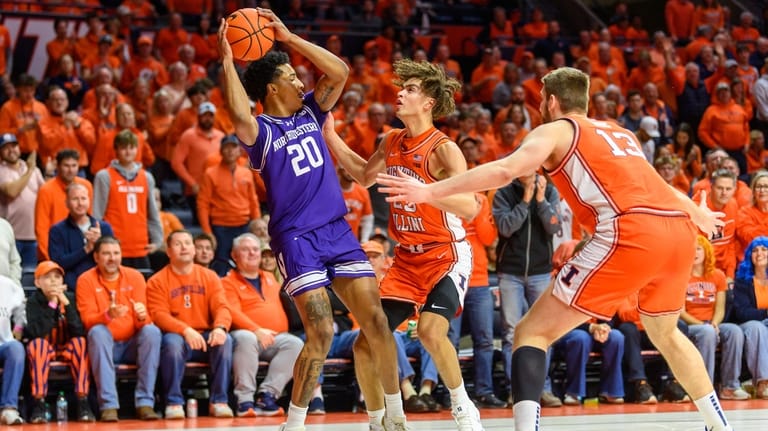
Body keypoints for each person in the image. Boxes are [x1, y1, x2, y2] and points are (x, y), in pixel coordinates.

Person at [377, 67, 731, 431]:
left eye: (540, 102)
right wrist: (697, 214)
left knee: (531, 333)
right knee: (666, 333)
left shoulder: (556, 129)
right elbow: (658, 185)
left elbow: (506, 170)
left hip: (632, 232)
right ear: (587, 99)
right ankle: (719, 425)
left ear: (551, 101)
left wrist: (430, 192)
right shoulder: (619, 132)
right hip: (678, 233)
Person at [218, 9, 406, 431]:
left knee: (376, 320)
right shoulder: (260, 133)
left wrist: (288, 38)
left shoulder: (311, 111)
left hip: (337, 231)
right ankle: (296, 422)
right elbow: (238, 115)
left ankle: (393, 417)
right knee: (320, 332)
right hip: (297, 238)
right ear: (272, 87)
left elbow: (338, 72)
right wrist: (228, 61)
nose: (302, 82)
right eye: (291, 76)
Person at [322, 57, 483, 430]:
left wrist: (427, 192)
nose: (400, 93)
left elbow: (470, 206)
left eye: (410, 89)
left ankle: (463, 408)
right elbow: (363, 176)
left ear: (428, 102)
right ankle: (381, 422)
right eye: (402, 87)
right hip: (407, 260)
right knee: (366, 343)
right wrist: (330, 136)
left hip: (445, 254)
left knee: (429, 331)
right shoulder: (392, 140)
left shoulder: (444, 149)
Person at [492, 172, 562, 407]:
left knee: (543, 331)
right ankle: (517, 391)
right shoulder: (503, 192)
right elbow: (505, 228)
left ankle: (543, 388)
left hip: (541, 272)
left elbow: (554, 227)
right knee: (512, 332)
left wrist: (540, 200)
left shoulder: (550, 190)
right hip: (510, 272)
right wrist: (525, 200)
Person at [146, 230, 233, 419]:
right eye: (178, 244)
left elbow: (223, 307)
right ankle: (174, 403)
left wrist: (220, 327)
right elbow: (158, 315)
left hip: (206, 335)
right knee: (172, 344)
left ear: (194, 250)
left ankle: (219, 401)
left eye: (187, 243)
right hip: (178, 336)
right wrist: (185, 330)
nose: (184, 247)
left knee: (225, 341)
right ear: (168, 251)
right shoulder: (156, 281)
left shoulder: (210, 277)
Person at [75, 236, 162, 421]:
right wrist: (108, 315)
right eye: (106, 253)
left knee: (152, 332)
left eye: (116, 253)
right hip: (103, 346)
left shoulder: (135, 277)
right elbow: (87, 321)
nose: (112, 258)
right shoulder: (85, 280)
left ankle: (145, 403)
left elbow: (143, 323)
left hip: (131, 345)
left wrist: (142, 316)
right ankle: (108, 406)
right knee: (98, 331)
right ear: (96, 257)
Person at [222, 233, 303, 417]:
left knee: (295, 344)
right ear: (235, 255)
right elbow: (232, 312)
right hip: (244, 337)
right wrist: (256, 330)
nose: (252, 253)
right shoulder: (227, 282)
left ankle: (267, 395)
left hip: (273, 337)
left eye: (255, 249)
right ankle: (244, 400)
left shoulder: (269, 277)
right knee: (246, 337)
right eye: (245, 250)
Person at [24, 261, 95, 423]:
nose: (54, 281)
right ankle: (39, 403)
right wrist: (53, 304)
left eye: (57, 277)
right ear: (37, 283)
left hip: (66, 349)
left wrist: (67, 305)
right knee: (37, 345)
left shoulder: (70, 298)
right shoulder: (33, 302)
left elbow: (78, 330)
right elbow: (37, 333)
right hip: (45, 348)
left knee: (80, 343)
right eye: (47, 277)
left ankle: (83, 402)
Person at [683, 235, 749, 401]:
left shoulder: (718, 276)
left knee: (734, 330)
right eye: (692, 249)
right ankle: (705, 389)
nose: (695, 252)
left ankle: (730, 386)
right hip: (689, 326)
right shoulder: (681, 276)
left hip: (712, 324)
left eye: (698, 248)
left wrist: (714, 323)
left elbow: (720, 308)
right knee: (707, 333)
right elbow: (680, 312)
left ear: (706, 252)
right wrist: (704, 325)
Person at [93, 129, 163, 270]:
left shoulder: (146, 177)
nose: (128, 152)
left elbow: (152, 212)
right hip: (114, 247)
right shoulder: (104, 176)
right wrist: (99, 242)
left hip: (141, 246)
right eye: (124, 147)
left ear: (137, 149)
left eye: (131, 147)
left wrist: (157, 240)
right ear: (116, 150)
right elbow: (97, 214)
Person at [49, 183, 114, 290]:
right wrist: (86, 249)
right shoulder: (57, 230)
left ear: (89, 201)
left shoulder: (104, 228)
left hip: (102, 286)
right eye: (75, 199)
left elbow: (112, 260)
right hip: (72, 288)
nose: (80, 203)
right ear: (67, 203)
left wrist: (100, 245)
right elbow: (58, 263)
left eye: (83, 198)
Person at [34, 149, 93, 262]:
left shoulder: (86, 186)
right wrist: (51, 258)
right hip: (54, 251)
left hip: (81, 251)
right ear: (58, 166)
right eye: (66, 166)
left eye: (74, 165)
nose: (70, 170)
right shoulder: (46, 190)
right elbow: (41, 228)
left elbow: (89, 218)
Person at [729, 236, 768, 399]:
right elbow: (743, 312)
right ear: (749, 256)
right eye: (755, 250)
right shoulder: (742, 281)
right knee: (757, 327)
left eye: (764, 249)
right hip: (747, 325)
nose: (759, 253)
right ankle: (762, 382)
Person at [0, 132, 44, 269]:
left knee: (30, 278)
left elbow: (44, 193)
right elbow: (11, 191)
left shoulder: (32, 168)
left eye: (14, 146)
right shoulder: (2, 170)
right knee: (11, 277)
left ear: (19, 148)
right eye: (6, 147)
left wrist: (47, 173)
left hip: (33, 235)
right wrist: (30, 170)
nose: (11, 150)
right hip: (11, 236)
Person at [0, 274, 25, 425]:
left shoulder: (8, 285)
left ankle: (9, 408)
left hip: (3, 346)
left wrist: (18, 327)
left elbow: (21, 313)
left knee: (16, 348)